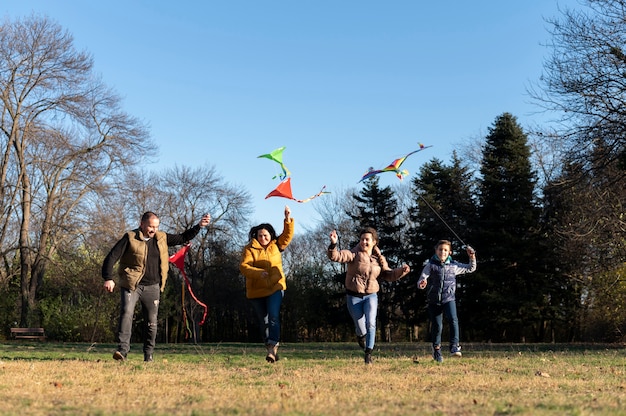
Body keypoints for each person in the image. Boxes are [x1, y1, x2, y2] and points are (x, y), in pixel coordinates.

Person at [102, 211, 211, 362]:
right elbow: (111, 257)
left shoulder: (161, 237)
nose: (153, 230)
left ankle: (148, 355)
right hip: (132, 284)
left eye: (156, 226)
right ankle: (122, 351)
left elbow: (183, 237)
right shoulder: (130, 238)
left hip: (153, 287)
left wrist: (199, 226)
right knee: (126, 313)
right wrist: (108, 278)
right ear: (142, 224)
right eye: (150, 226)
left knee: (151, 322)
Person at [327, 227, 410, 364]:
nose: (364, 242)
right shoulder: (354, 254)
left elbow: (388, 274)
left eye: (367, 239)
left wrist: (402, 271)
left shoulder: (379, 258)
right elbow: (337, 256)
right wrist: (333, 244)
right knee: (361, 327)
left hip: (371, 295)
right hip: (353, 296)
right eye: (362, 239)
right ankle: (360, 336)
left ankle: (368, 354)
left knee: (371, 323)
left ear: (374, 242)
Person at [239, 205, 294, 363]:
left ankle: (272, 346)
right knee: (264, 322)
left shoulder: (276, 245)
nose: (263, 238)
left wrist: (288, 219)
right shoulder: (249, 249)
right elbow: (244, 267)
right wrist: (258, 273)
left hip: (275, 287)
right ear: (255, 236)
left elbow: (287, 235)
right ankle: (271, 349)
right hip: (256, 291)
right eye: (260, 235)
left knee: (274, 316)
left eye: (265, 235)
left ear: (270, 235)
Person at [417, 239, 476, 363]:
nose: (442, 252)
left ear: (450, 252)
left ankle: (455, 346)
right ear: (436, 251)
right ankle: (437, 350)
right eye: (440, 249)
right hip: (434, 300)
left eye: (445, 250)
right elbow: (422, 278)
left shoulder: (454, 265)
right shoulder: (430, 265)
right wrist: (422, 283)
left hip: (449, 299)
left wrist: (472, 257)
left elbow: (471, 268)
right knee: (437, 326)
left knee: (453, 320)